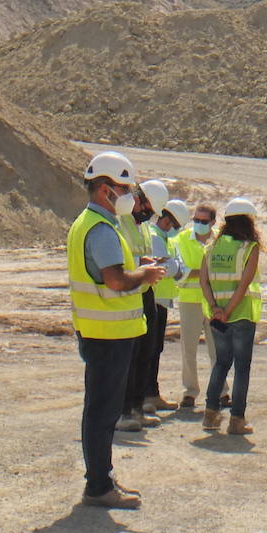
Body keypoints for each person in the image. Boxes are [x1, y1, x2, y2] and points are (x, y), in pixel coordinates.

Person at [68, 152, 164, 509]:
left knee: (100, 410)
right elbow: (116, 280)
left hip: (100, 333)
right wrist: (146, 275)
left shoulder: (91, 223)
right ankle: (98, 486)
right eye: (125, 189)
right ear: (106, 190)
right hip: (108, 336)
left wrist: (139, 266)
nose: (131, 197)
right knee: (102, 412)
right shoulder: (102, 228)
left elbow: (112, 270)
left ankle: (100, 480)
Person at [199, 198, 263, 435]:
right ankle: (237, 419)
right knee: (241, 368)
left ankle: (210, 413)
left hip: (217, 317)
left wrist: (216, 308)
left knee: (221, 363)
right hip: (241, 314)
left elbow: (203, 281)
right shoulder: (249, 248)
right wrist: (229, 311)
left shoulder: (212, 247)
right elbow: (244, 284)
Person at [115, 179, 165, 431]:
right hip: (127, 294)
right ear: (138, 199)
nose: (147, 215)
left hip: (145, 294)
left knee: (146, 351)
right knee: (130, 357)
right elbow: (118, 258)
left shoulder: (142, 226)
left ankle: (136, 407)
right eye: (146, 208)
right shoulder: (120, 221)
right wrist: (141, 261)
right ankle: (123, 412)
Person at [141, 193, 187, 414]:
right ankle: (144, 395)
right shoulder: (155, 236)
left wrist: (175, 266)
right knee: (148, 349)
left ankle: (152, 393)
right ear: (168, 222)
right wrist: (176, 266)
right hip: (153, 298)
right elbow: (168, 268)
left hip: (162, 300)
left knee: (155, 348)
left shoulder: (164, 238)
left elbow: (176, 267)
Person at [174, 202, 221, 409]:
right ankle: (190, 392)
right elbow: (179, 272)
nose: (199, 225)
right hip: (189, 300)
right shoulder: (181, 239)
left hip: (214, 301)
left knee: (218, 349)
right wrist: (201, 273)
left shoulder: (221, 239)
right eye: (196, 220)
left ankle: (221, 391)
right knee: (188, 350)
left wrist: (195, 272)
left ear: (212, 222)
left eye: (203, 221)